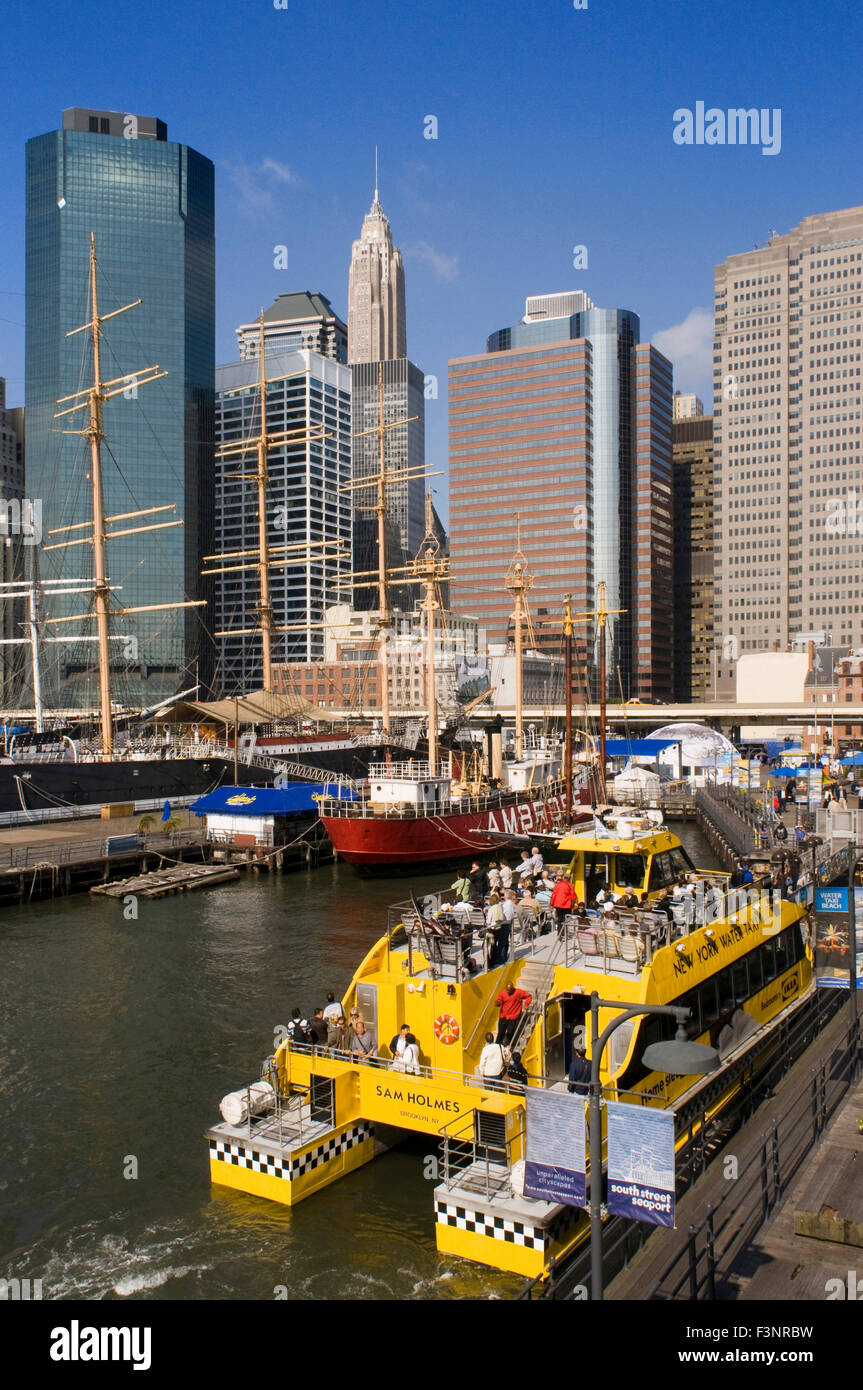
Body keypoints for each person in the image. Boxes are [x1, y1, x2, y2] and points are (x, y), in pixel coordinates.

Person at [495, 981, 532, 1046]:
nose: (508, 992)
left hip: (513, 1016)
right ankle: (497, 1046)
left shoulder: (518, 992)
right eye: (507, 990)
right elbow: (499, 1000)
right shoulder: (502, 993)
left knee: (510, 1032)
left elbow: (528, 996)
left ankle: (508, 1045)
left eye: (510, 990)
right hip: (503, 1016)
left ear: (513, 989)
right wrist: (497, 1003)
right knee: (500, 1033)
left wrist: (526, 1004)